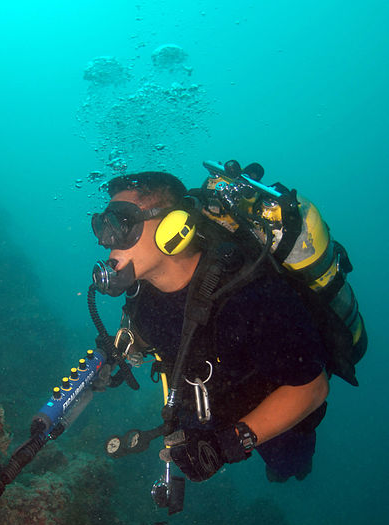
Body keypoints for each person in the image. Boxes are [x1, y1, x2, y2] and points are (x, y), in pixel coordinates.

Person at [91, 170, 331, 484]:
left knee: (287, 463)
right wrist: (124, 350)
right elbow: (150, 332)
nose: (107, 240)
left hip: (273, 400)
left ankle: (293, 469)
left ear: (172, 226)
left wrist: (228, 445)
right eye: (103, 225)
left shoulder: (250, 294)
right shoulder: (142, 293)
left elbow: (312, 389)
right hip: (207, 398)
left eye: (122, 224)